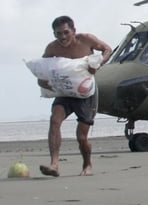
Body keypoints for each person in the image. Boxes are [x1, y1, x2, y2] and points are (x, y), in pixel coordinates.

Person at [37, 15, 112, 177]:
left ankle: (87, 164)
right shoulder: (52, 48)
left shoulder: (86, 40)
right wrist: (41, 82)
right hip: (65, 91)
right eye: (58, 34)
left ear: (73, 31)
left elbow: (108, 50)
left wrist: (98, 63)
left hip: (86, 93)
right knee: (54, 120)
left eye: (65, 33)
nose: (62, 37)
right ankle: (54, 164)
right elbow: (42, 69)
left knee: (81, 137)